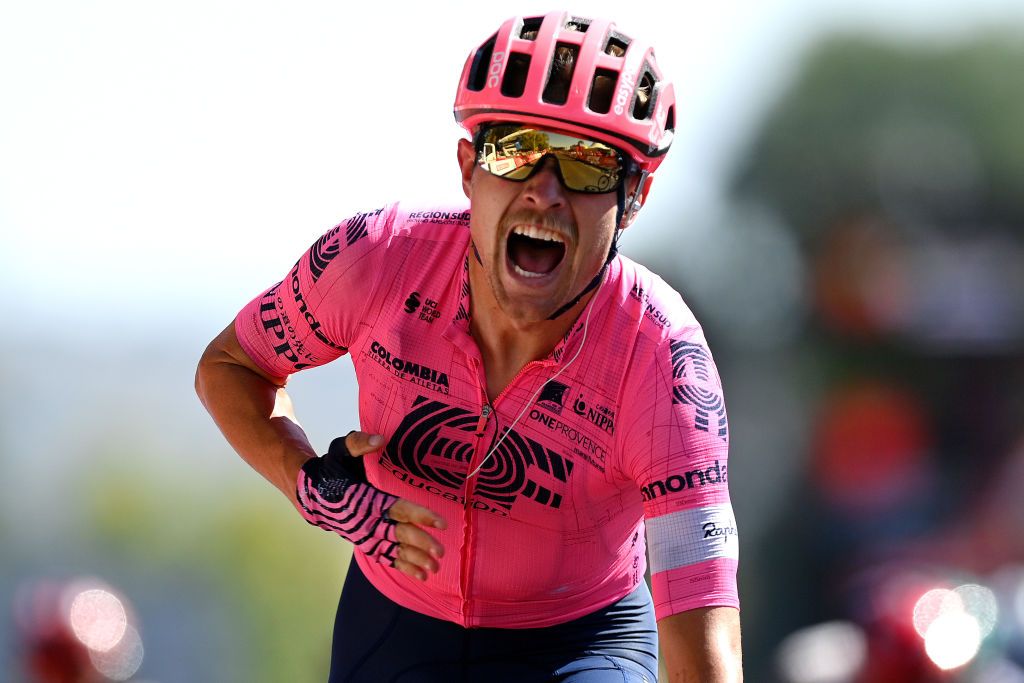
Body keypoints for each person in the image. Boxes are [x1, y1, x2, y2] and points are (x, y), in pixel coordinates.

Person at [196, 11, 742, 682]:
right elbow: (231, 365)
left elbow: (706, 645)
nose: (545, 193)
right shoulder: (378, 260)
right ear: (467, 167)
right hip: (396, 626)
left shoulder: (662, 361)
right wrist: (303, 476)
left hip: (579, 645)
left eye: (589, 165)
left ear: (635, 198)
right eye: (514, 149)